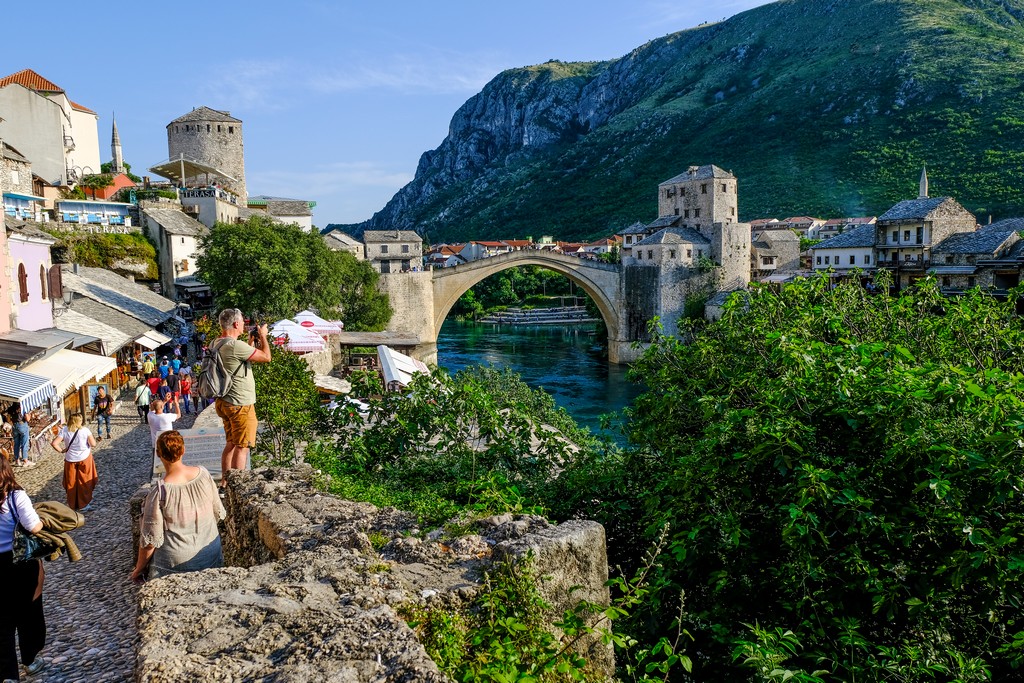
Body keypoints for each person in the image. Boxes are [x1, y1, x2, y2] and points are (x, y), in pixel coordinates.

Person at [131, 431, 225, 582]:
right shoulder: (204, 474)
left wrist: (139, 569)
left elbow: (150, 541)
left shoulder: (159, 492)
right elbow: (216, 512)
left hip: (175, 562)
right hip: (210, 553)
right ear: (183, 450)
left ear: (158, 454)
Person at [211, 308, 271, 484]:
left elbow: (238, 362)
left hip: (224, 401)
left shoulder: (216, 343)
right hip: (240, 404)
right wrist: (264, 336)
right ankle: (238, 487)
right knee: (242, 446)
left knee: (230, 443)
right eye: (243, 322)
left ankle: (225, 483)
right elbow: (266, 357)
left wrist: (250, 343)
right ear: (236, 324)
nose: (245, 325)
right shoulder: (235, 346)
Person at [0, 456, 46, 679]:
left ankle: (7, 674)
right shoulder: (16, 496)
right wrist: (45, 520)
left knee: (2, 621)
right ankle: (30, 660)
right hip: (19, 561)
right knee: (29, 611)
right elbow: (34, 526)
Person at [49, 415, 97, 512]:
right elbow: (93, 444)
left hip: (70, 459)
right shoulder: (85, 430)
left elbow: (54, 443)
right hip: (84, 458)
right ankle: (83, 504)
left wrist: (62, 451)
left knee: (71, 482)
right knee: (84, 481)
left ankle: (73, 504)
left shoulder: (65, 430)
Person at [8, 405, 34, 470]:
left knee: (16, 444)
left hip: (14, 426)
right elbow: (27, 419)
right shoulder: (23, 406)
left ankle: (17, 460)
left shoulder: (11, 407)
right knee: (24, 443)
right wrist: (29, 414)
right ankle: (25, 460)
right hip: (22, 425)